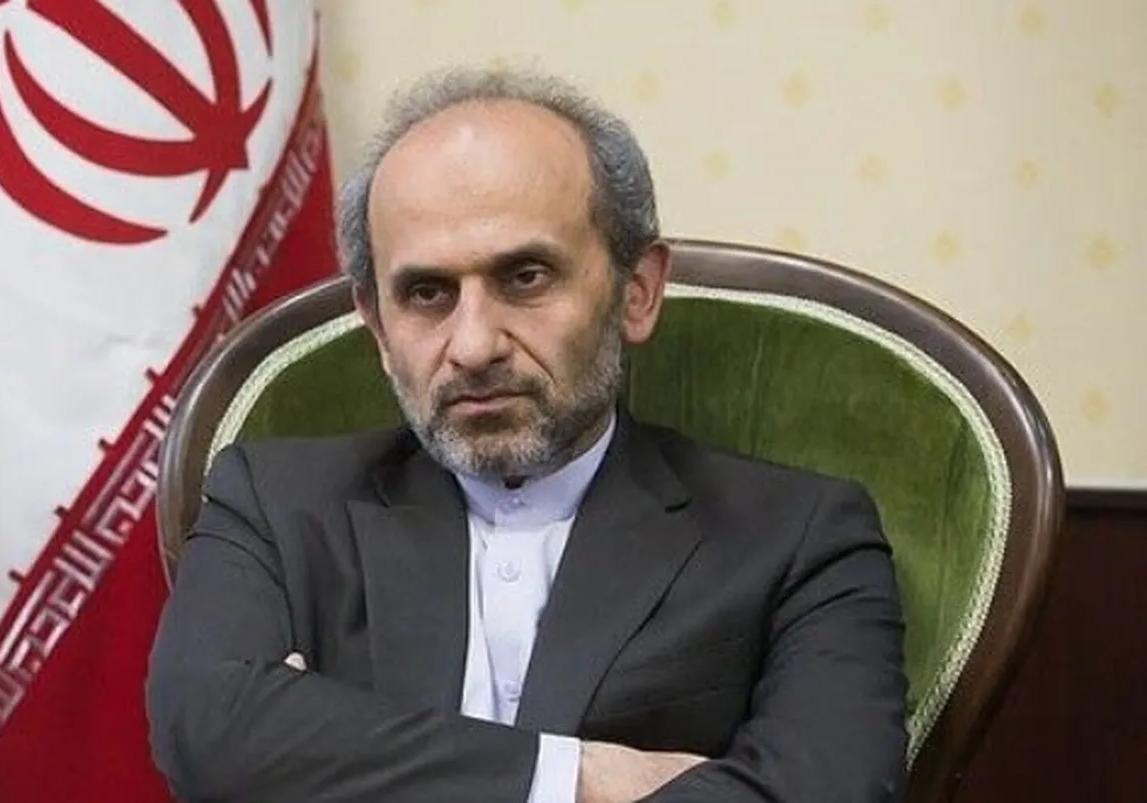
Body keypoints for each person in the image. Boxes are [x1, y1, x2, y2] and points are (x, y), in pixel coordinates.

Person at [146, 66, 908, 803]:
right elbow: (209, 732)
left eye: (525, 277)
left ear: (636, 291)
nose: (474, 345)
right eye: (426, 292)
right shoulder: (275, 505)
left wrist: (325, 750)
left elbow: (822, 787)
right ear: (377, 327)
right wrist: (578, 777)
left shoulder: (800, 536)